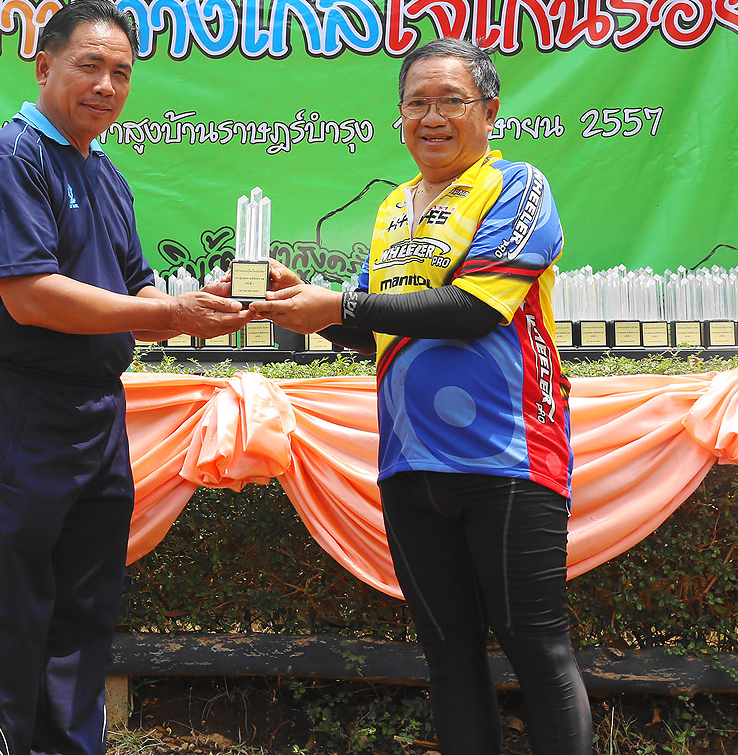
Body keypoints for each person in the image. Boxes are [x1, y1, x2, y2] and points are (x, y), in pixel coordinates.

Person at [251, 38, 592, 755]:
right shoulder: (393, 206)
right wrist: (303, 306)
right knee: (448, 651)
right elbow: (380, 333)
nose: (432, 117)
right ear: (400, 118)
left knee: (536, 646)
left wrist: (340, 303)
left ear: (489, 111)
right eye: (417, 103)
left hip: (509, 456)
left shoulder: (518, 185)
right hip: (409, 459)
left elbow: (475, 308)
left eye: (451, 101)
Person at [0, 0, 253, 755]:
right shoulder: (9, 159)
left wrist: (199, 307)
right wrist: (167, 313)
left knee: (83, 608)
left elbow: (137, 287)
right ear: (44, 65)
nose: (107, 86)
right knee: (5, 605)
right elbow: (30, 295)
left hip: (96, 412)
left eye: (121, 72)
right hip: (18, 409)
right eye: (90, 65)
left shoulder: (105, 172)